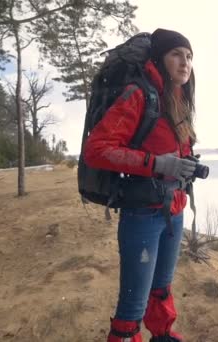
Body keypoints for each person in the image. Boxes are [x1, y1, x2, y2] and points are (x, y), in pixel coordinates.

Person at [83, 28, 198, 342]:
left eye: (189, 56)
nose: (184, 62)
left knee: (161, 287)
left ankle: (162, 335)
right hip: (142, 215)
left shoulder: (178, 101)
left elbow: (174, 151)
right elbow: (97, 149)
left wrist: (184, 167)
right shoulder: (140, 94)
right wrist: (158, 164)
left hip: (173, 210)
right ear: (160, 57)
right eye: (176, 54)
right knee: (134, 302)